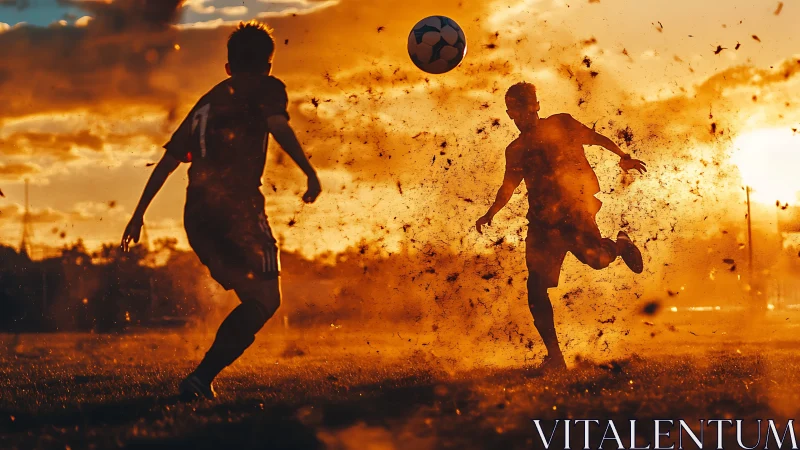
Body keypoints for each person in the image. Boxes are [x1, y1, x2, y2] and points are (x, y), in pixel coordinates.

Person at [121, 21, 321, 400]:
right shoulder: (266, 87)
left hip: (197, 213)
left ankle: (202, 377)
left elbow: (168, 162)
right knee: (265, 300)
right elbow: (277, 124)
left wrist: (138, 214)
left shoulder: (207, 102)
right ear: (269, 65)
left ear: (227, 67)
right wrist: (309, 172)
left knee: (255, 297)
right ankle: (201, 377)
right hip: (237, 209)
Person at [475, 82, 647, 372]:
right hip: (541, 224)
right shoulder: (515, 150)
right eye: (515, 108)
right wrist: (490, 213)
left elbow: (595, 138)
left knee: (598, 262)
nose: (522, 113)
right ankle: (555, 358)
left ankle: (620, 244)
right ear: (509, 113)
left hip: (575, 213)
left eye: (527, 105)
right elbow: (508, 185)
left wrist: (623, 157)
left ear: (537, 105)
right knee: (536, 287)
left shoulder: (561, 124)